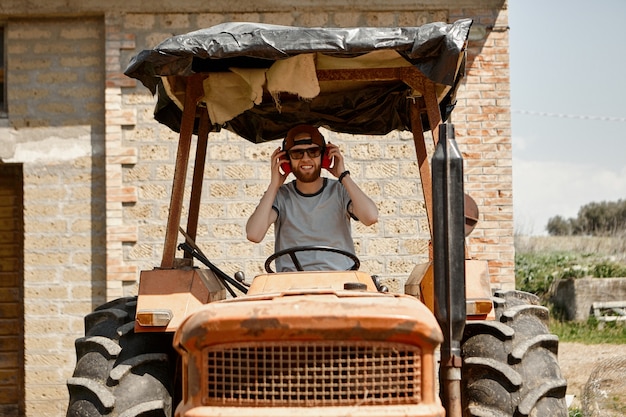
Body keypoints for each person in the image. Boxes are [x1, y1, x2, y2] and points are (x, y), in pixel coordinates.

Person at [246, 124, 378, 272]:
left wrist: (343, 175)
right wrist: (274, 185)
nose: (306, 159)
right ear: (286, 160)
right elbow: (254, 234)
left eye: (313, 151)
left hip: (339, 281)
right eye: (297, 154)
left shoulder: (340, 190)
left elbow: (371, 217)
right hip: (292, 284)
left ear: (325, 157)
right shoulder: (281, 195)